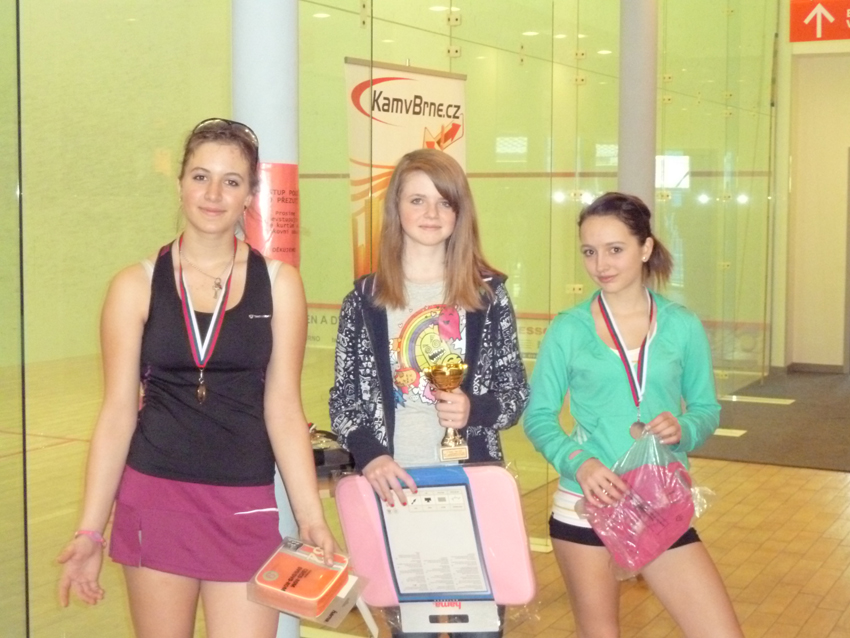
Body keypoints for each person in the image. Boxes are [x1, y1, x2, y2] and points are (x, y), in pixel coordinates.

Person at [57, 118, 335, 638]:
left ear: (250, 194)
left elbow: (283, 409)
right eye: (200, 177)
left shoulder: (280, 285)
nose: (213, 194)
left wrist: (311, 519)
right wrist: (90, 530)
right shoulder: (134, 286)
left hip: (245, 503)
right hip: (155, 499)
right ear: (181, 183)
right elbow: (117, 414)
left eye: (231, 181)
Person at [523, 192, 743, 638]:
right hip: (587, 504)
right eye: (589, 251)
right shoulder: (569, 328)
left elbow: (706, 409)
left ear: (645, 248)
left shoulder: (681, 325)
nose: (600, 264)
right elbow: (539, 416)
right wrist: (579, 462)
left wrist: (684, 427)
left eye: (615, 249)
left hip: (659, 504)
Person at [329, 148, 529, 637]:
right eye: (417, 200)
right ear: (396, 208)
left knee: (480, 631)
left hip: (471, 490)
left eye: (445, 202)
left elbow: (515, 393)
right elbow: (343, 400)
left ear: (460, 212)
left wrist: (475, 408)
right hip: (396, 493)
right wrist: (372, 455)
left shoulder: (487, 296)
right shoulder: (364, 300)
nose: (431, 213)